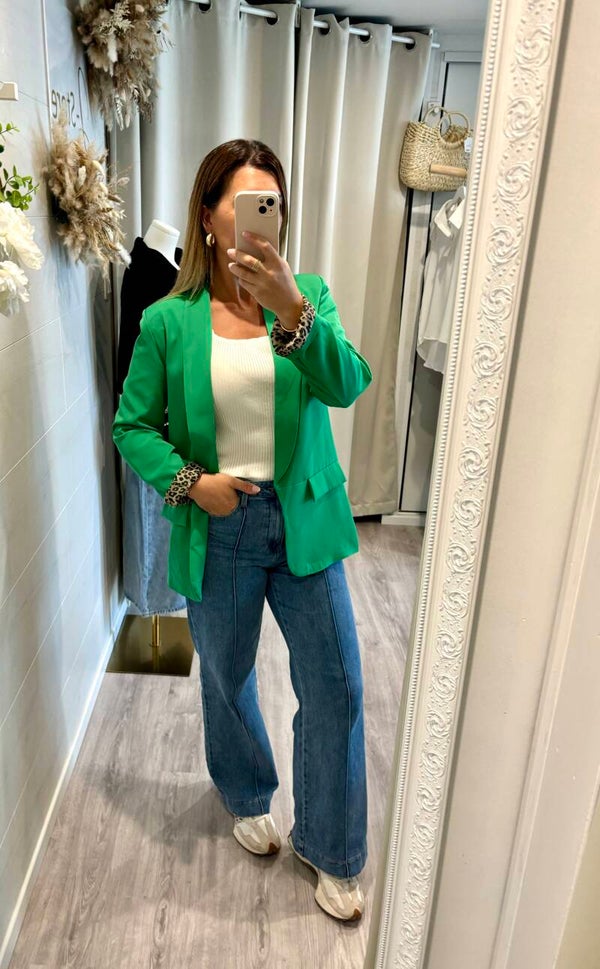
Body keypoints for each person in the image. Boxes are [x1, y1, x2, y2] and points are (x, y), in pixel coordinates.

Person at [112, 139, 373, 921]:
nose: (263, 219)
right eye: (245, 204)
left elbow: (348, 384)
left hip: (304, 521)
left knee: (336, 685)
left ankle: (330, 843)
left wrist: (292, 310)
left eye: (273, 205)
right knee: (226, 676)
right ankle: (247, 793)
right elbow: (133, 427)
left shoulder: (309, 296)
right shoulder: (168, 320)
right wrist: (194, 483)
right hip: (220, 525)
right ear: (208, 215)